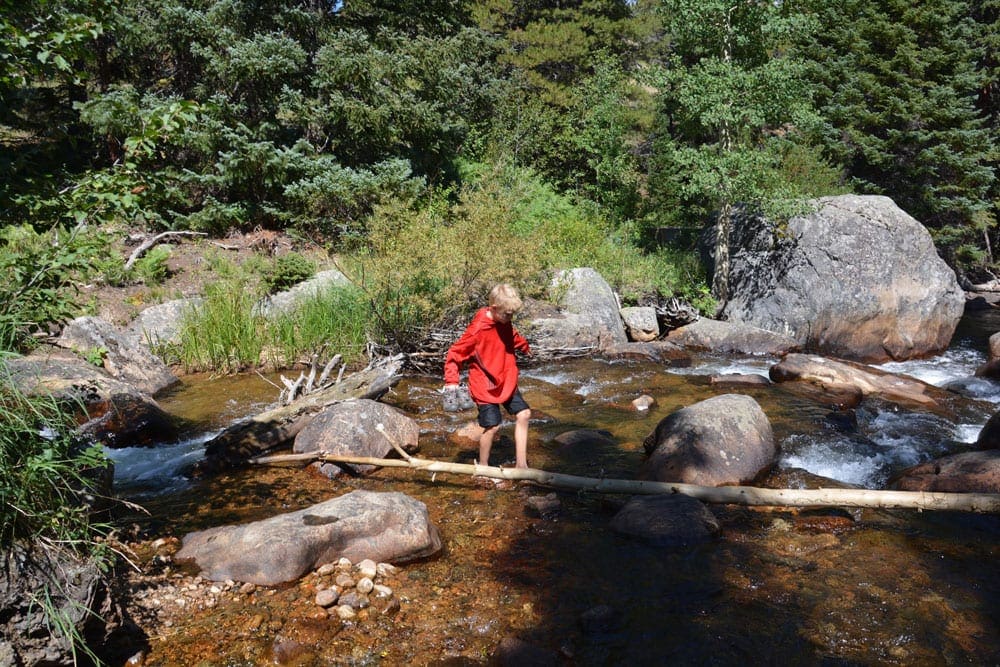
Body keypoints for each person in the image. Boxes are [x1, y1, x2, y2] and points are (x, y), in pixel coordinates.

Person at [444, 284, 532, 469]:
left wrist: (524, 346)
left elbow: (512, 335)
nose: (510, 318)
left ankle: (521, 464)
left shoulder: (504, 321)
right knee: (493, 426)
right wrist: (452, 381)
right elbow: (454, 354)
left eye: (512, 315)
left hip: (506, 378)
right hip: (484, 384)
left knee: (524, 414)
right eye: (507, 314)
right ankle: (483, 466)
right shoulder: (478, 330)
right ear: (493, 308)